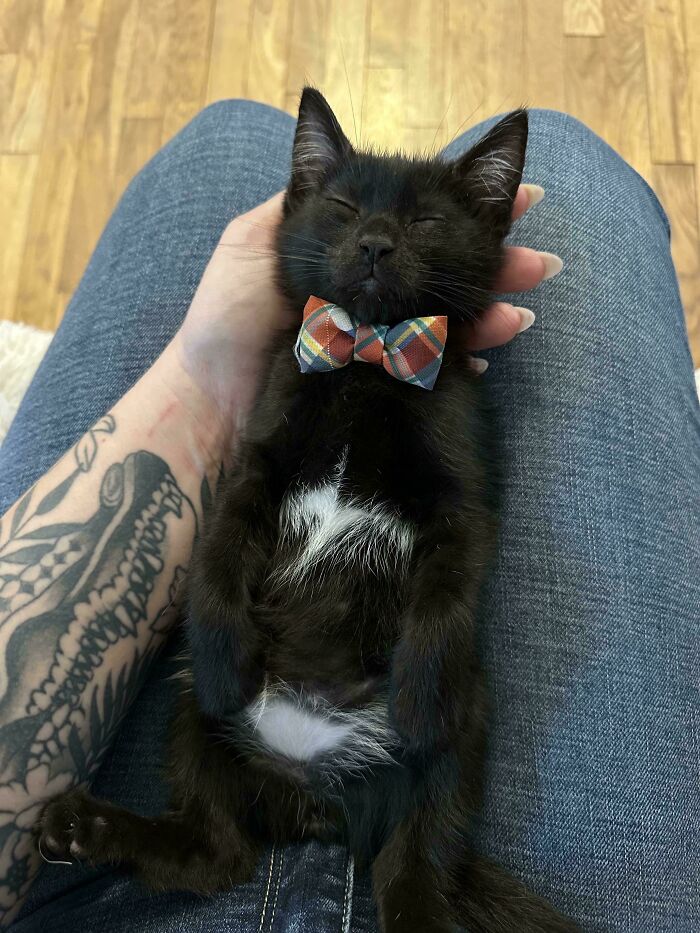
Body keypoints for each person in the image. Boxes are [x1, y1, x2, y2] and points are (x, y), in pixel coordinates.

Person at [0, 101, 696, 933]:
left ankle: (419, 894)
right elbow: (251, 493)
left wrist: (436, 634)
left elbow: (458, 524)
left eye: (424, 224)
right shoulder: (292, 371)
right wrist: (217, 602)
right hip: (251, 720)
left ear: (483, 238)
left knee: (222, 131)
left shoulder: (448, 397)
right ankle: (201, 840)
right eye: (342, 210)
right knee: (199, 723)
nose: (374, 238)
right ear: (298, 209)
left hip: (384, 724)